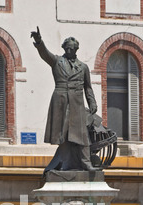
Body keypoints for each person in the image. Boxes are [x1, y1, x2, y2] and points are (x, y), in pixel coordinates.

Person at [31, 27, 98, 172]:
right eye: (67, 49)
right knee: (64, 136)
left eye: (71, 49)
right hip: (61, 101)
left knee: (82, 134)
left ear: (76, 50)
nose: (68, 52)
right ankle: (66, 163)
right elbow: (45, 54)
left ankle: (86, 163)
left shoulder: (83, 67)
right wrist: (39, 41)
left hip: (77, 103)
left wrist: (92, 102)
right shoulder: (57, 61)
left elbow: (88, 87)